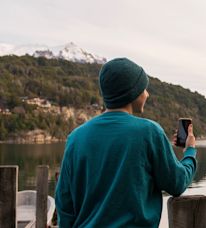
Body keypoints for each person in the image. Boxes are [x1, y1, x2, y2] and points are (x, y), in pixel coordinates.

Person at [55, 58, 197, 227]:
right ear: (132, 92)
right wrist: (190, 151)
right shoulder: (148, 131)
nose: (147, 94)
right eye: (143, 88)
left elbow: (64, 201)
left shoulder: (76, 137)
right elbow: (177, 183)